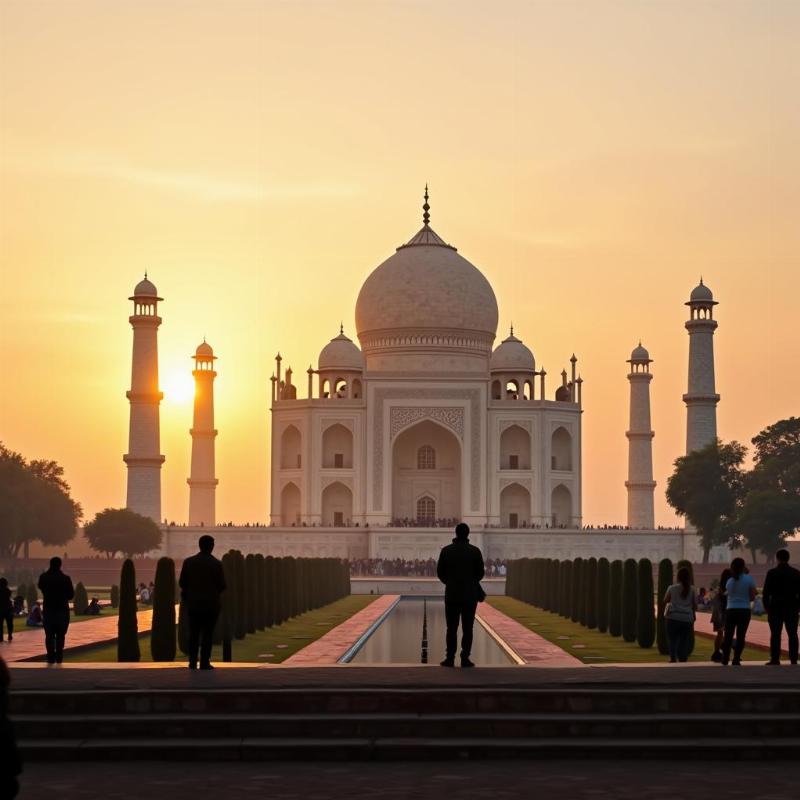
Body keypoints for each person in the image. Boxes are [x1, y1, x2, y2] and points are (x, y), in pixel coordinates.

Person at [436, 523, 485, 668]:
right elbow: (480, 573)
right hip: (470, 595)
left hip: (452, 594)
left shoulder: (446, 551)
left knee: (451, 628)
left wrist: (451, 583)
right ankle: (465, 658)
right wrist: (469, 582)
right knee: (468, 628)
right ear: (468, 534)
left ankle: (450, 658)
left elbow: (440, 573)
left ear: (456, 533)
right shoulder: (475, 551)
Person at [178, 535, 226, 670]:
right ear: (211, 546)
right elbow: (222, 585)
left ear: (199, 545)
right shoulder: (216, 564)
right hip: (210, 605)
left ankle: (192, 661)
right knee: (207, 634)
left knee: (193, 633)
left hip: (193, 604)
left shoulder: (189, 562)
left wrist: (192, 593)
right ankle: (204, 662)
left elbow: (182, 582)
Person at [762, 548, 800, 666]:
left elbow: (766, 593)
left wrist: (768, 608)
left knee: (775, 634)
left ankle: (775, 659)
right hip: (791, 606)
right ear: (788, 558)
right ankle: (793, 659)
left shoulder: (772, 573)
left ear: (777, 559)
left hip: (776, 607)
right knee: (793, 634)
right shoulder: (796, 573)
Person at [37, 556, 75, 664]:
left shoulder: (44, 577)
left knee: (49, 636)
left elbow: (41, 587)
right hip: (61, 610)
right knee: (60, 636)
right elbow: (70, 595)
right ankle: (59, 658)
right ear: (60, 565)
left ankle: (50, 657)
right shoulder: (65, 578)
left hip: (49, 609)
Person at [721, 557, 756, 666]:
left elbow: (728, 595)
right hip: (744, 610)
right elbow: (752, 597)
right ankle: (736, 659)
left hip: (731, 610)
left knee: (728, 636)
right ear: (743, 567)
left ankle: (725, 659)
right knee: (741, 636)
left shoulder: (730, 581)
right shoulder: (748, 579)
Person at [664, 566, 697, 663]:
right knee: (684, 640)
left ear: (678, 577)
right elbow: (695, 606)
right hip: (687, 618)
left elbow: (665, 601)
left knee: (673, 639)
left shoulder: (672, 588)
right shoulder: (692, 590)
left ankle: (673, 657)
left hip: (673, 617)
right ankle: (683, 658)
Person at [710, 568, 732, 662]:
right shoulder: (730, 586)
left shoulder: (719, 589)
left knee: (720, 634)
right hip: (726, 613)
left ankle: (716, 652)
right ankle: (724, 651)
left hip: (719, 613)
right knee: (727, 634)